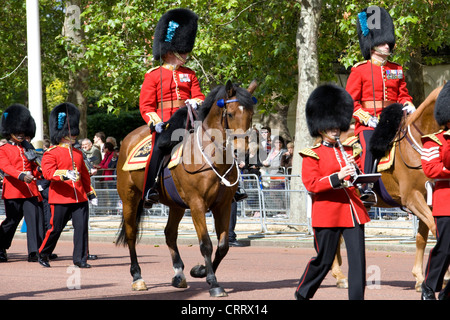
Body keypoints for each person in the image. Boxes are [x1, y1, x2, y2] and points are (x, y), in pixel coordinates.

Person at [295, 84, 370, 300]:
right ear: (320, 128)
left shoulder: (349, 150)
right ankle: (303, 292)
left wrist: (357, 173)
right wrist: (338, 177)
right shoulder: (312, 154)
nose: (336, 130)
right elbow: (312, 184)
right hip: (328, 212)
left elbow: (358, 176)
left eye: (338, 127)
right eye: (331, 127)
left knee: (358, 261)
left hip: (353, 211)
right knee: (325, 261)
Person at [345, 6, 415, 203]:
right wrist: (366, 118)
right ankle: (365, 187)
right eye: (383, 42)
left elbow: (402, 94)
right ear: (373, 44)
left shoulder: (396, 69)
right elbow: (352, 102)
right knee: (369, 145)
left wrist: (408, 104)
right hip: (369, 122)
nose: (388, 46)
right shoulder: (360, 70)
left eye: (389, 42)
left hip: (394, 119)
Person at [139, 8, 205, 206]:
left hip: (191, 118)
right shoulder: (153, 75)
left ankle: (234, 186)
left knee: (219, 140)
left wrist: (196, 101)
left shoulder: (190, 74)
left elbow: (199, 95)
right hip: (166, 122)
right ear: (169, 51)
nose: (186, 55)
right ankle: (150, 189)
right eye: (182, 51)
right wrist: (155, 123)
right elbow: (146, 105)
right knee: (158, 149)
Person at [38, 102, 97, 268]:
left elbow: (84, 176)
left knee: (81, 230)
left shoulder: (78, 153)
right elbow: (48, 173)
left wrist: (90, 193)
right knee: (55, 229)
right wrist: (64, 174)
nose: (74, 136)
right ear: (62, 134)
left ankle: (80, 259)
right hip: (61, 198)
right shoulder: (51, 153)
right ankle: (43, 253)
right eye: (71, 133)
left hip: (79, 198)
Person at [0, 104, 45, 263]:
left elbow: (34, 167)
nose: (20, 134)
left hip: (30, 190)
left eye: (22, 132)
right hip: (13, 190)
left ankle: (34, 251)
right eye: (17, 131)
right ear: (9, 131)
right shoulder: (4, 149)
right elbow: (6, 166)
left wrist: (40, 171)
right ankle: (1, 246)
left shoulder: (27, 148)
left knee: (34, 220)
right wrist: (21, 176)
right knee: (11, 221)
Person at [420, 82, 450, 300]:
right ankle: (429, 287)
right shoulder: (434, 141)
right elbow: (431, 169)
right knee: (445, 249)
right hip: (446, 203)